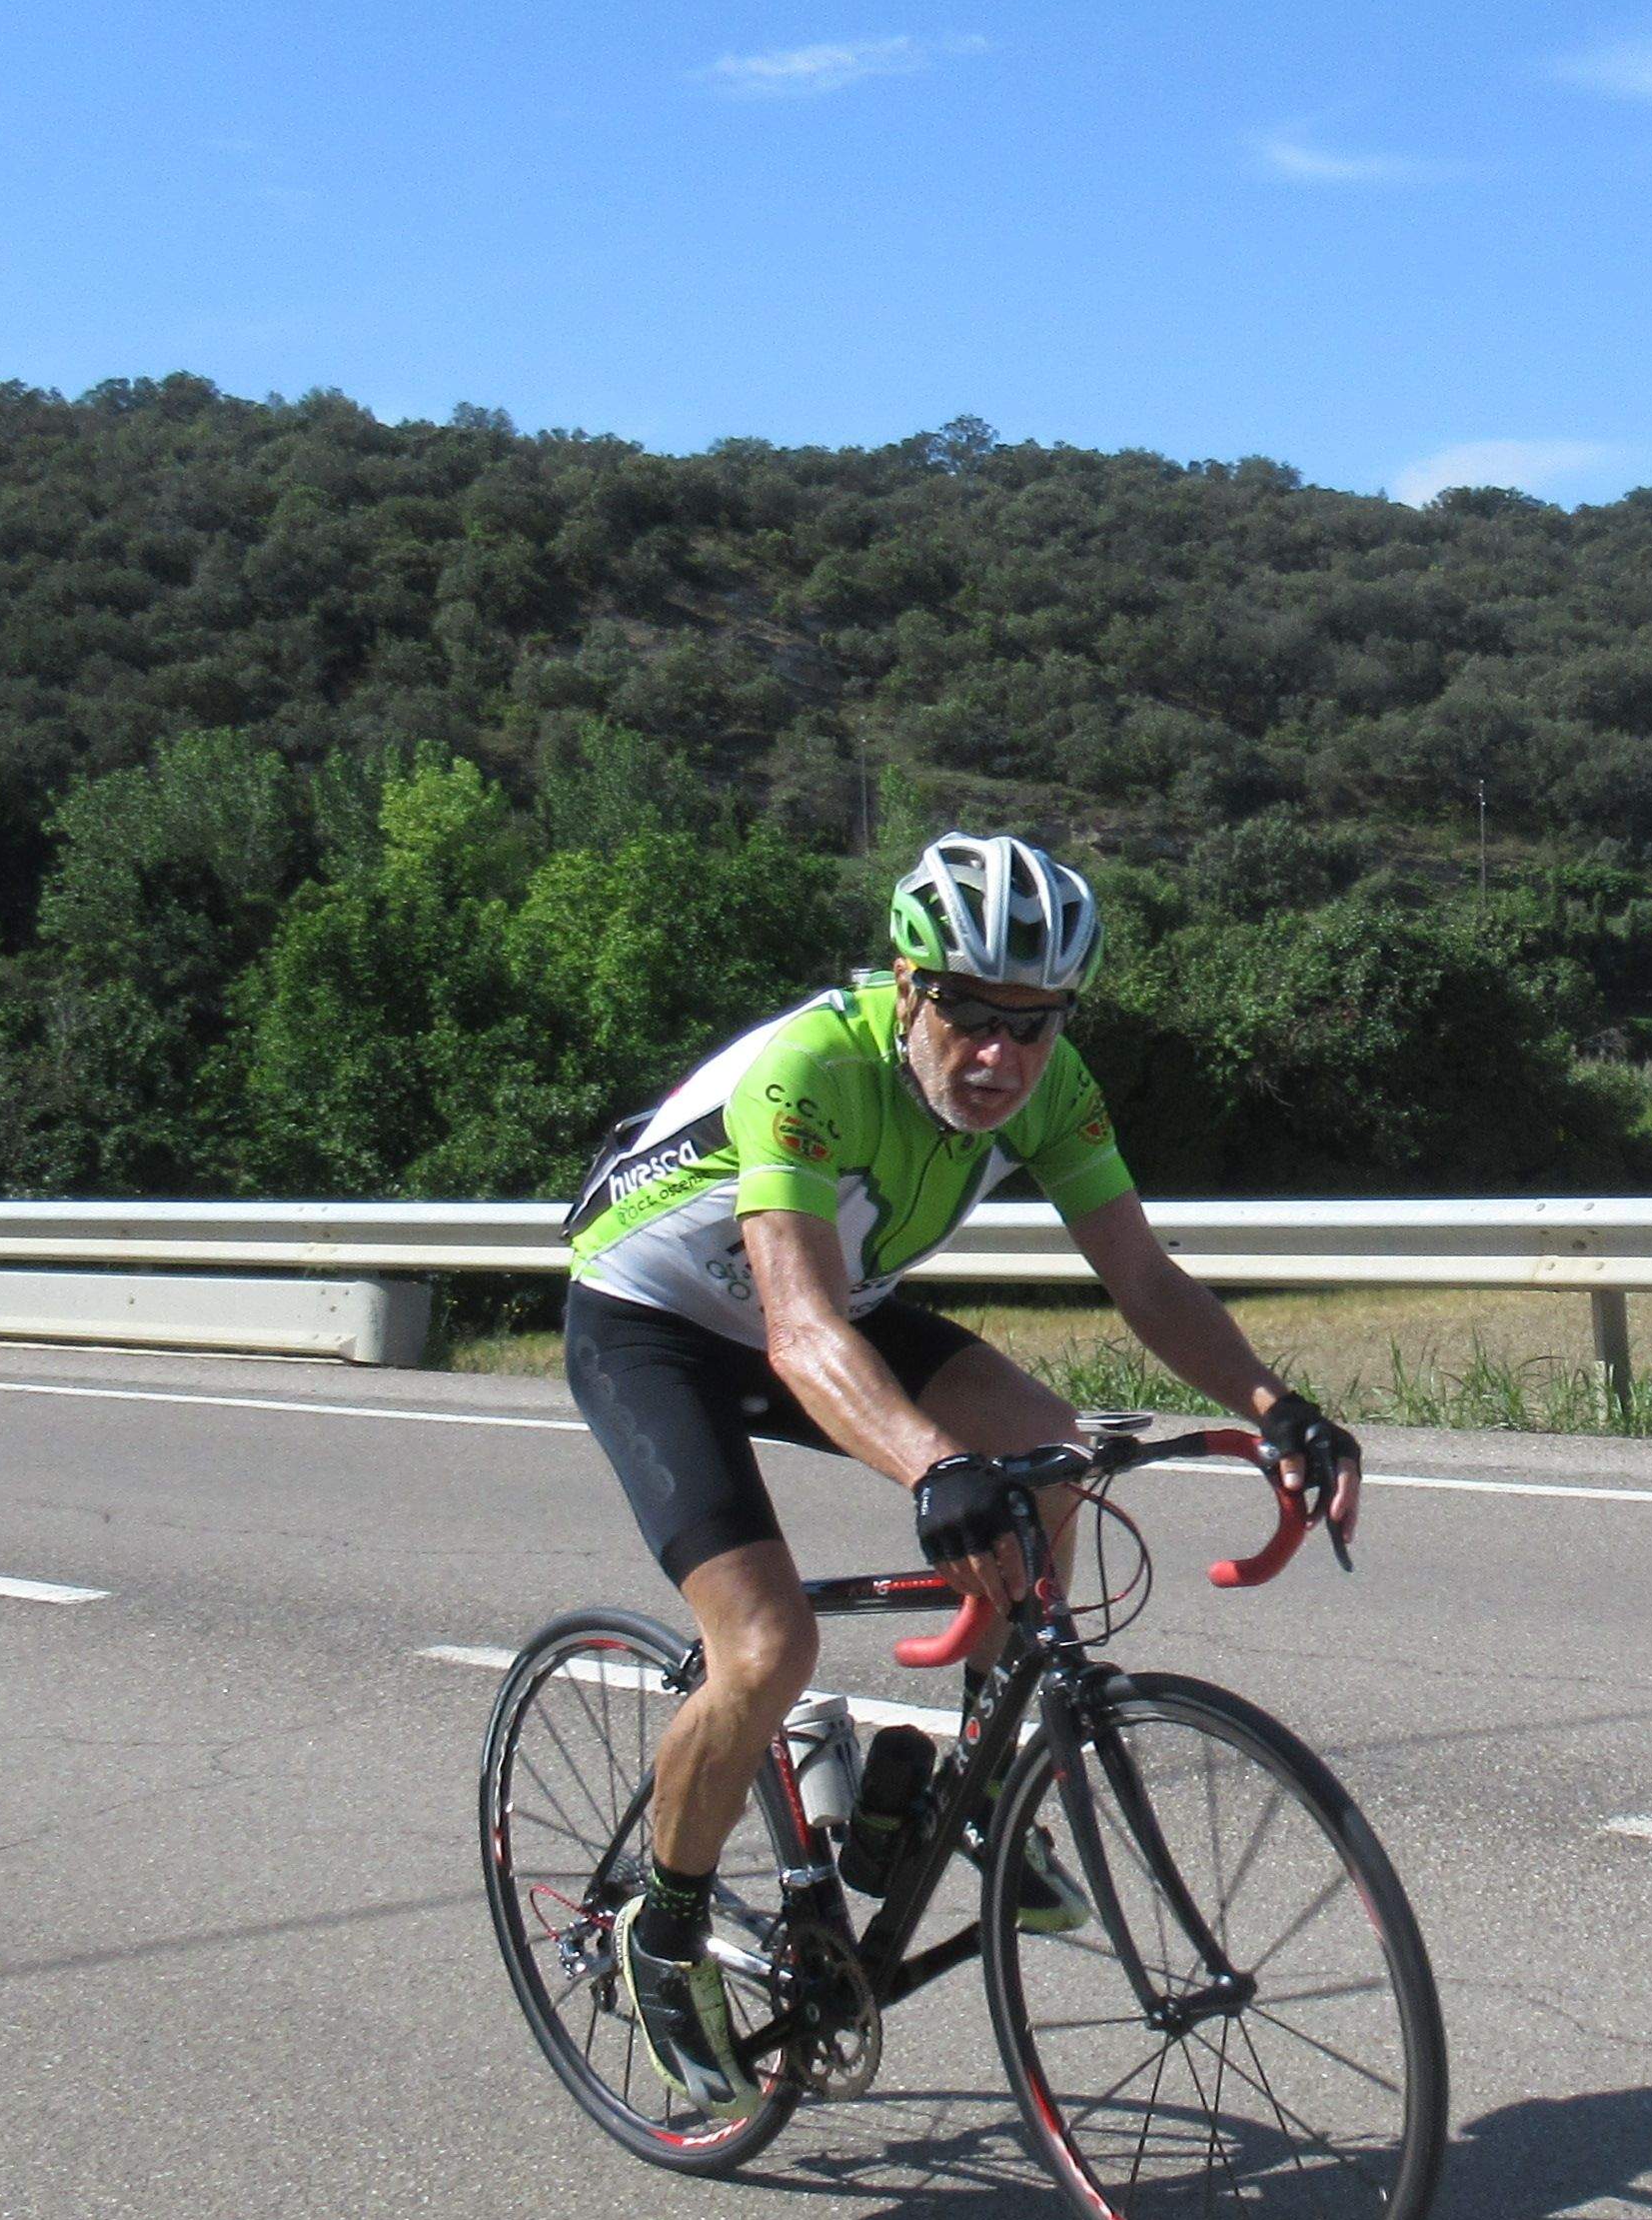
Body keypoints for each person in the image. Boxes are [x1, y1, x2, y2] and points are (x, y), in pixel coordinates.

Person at [556, 829, 1359, 2100]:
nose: (1002, 1055)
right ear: (907, 986)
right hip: (659, 1325)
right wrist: (934, 1468)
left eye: (1035, 1022)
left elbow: (1141, 1277)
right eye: (972, 1013)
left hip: (833, 1302)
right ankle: (663, 1923)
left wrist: (1278, 1405)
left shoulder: (1050, 1083)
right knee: (766, 1648)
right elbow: (799, 1328)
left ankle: (956, 1794)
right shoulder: (814, 1066)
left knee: (1051, 1458)